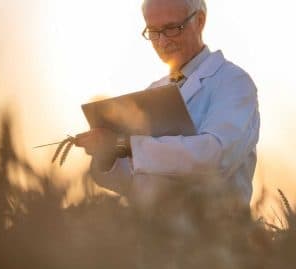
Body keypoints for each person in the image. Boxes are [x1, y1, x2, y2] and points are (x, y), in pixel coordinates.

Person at [74, 0, 260, 212]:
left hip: (216, 234)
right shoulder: (155, 89)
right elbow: (136, 182)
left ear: (200, 21)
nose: (162, 41)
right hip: (156, 237)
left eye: (172, 28)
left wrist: (126, 145)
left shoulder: (232, 81)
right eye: (153, 31)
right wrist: (108, 156)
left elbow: (216, 157)